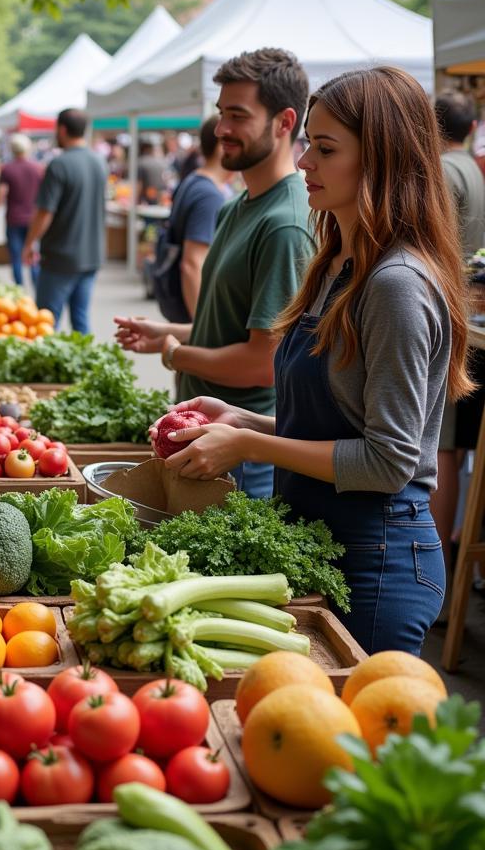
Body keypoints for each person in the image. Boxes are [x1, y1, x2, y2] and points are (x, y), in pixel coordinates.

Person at [157, 67, 469, 656]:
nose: (304, 163)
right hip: (321, 543)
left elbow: (387, 460)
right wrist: (244, 421)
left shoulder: (396, 284)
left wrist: (250, 447)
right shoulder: (335, 266)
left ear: (381, 160)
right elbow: (339, 431)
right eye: (308, 144)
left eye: (324, 149)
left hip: (376, 567)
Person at [115, 48, 316, 499]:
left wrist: (173, 354)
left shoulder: (283, 223)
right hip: (201, 441)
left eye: (238, 115)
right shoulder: (234, 207)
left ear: (285, 123)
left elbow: (262, 362)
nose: (221, 129)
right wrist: (168, 332)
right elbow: (235, 327)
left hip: (238, 460)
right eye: (221, 112)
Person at [431, 89, 485, 578]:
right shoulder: (473, 168)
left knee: (443, 447)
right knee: (458, 448)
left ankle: (443, 572)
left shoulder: (446, 172)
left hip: (455, 316)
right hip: (471, 318)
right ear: (470, 128)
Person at [23, 108, 107, 333]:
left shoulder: (59, 165)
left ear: (61, 129)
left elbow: (44, 213)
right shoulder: (99, 162)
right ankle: (87, 367)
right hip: (91, 255)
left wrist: (30, 243)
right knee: (81, 320)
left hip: (61, 257)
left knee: (45, 323)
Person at [150, 115, 233, 322]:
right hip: (192, 308)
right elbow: (192, 264)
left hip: (177, 301)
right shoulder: (209, 195)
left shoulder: (193, 181)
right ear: (221, 146)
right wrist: (200, 326)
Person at [0, 133, 44, 287]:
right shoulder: (37, 169)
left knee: (15, 255)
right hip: (33, 219)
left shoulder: (7, 169)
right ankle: (36, 285)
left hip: (14, 219)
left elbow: (1, 193)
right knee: (33, 253)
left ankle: (19, 288)